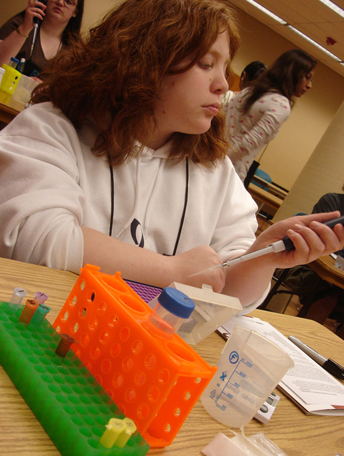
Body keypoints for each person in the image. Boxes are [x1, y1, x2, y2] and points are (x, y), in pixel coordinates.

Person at [0, 0, 343, 316]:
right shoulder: (51, 128)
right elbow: (36, 239)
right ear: (142, 61)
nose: (223, 84)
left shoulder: (214, 170)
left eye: (225, 68)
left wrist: (263, 256)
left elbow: (227, 295)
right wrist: (172, 272)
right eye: (206, 64)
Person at [226, 49, 316, 182]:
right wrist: (220, 162)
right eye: (307, 78)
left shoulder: (250, 90)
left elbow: (224, 118)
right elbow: (248, 143)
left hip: (215, 158)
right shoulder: (281, 104)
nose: (309, 85)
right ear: (293, 73)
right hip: (230, 171)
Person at [0, 0, 84, 78]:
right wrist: (24, 28)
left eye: (68, 2)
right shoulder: (18, 25)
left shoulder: (74, 51)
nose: (60, 2)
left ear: (75, 12)